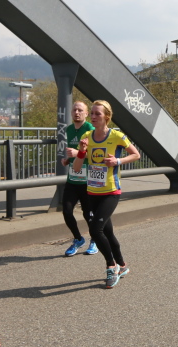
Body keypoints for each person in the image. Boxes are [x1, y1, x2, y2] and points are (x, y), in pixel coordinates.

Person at [73, 100, 140, 288]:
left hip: (111, 191)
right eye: (92, 113)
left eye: (97, 114)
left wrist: (117, 161)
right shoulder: (86, 136)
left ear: (107, 117)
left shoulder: (116, 136)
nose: (93, 117)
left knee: (95, 230)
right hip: (92, 191)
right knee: (107, 232)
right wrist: (81, 151)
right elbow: (77, 168)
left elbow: (136, 154)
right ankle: (123, 265)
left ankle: (111, 266)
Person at [61, 101, 97, 257]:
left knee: (88, 214)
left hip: (87, 180)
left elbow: (95, 153)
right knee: (66, 211)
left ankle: (94, 240)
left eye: (80, 110)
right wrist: (67, 160)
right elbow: (73, 151)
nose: (77, 112)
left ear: (86, 114)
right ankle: (78, 239)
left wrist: (78, 154)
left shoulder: (90, 129)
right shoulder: (69, 129)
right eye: (74, 110)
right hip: (72, 179)